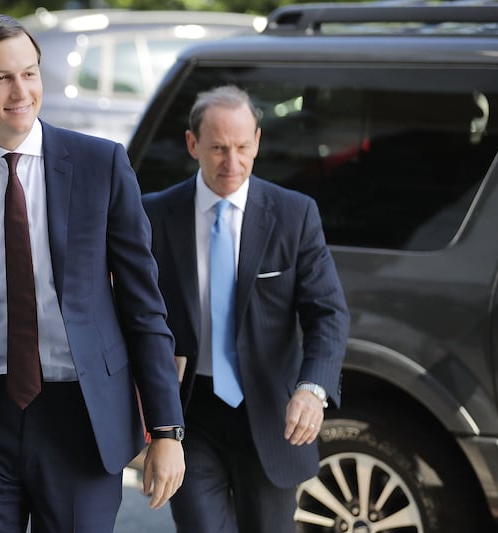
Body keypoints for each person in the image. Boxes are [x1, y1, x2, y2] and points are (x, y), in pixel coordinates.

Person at [0, 13, 185, 533]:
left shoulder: (101, 165)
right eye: (1, 78)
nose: (21, 91)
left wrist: (166, 429)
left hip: (82, 417)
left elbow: (144, 306)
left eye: (29, 73)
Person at [141, 85, 350, 533]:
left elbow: (328, 313)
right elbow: (131, 313)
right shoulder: (154, 215)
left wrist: (312, 389)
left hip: (271, 415)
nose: (231, 163)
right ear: (193, 144)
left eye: (241, 147)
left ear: (257, 140)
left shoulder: (294, 214)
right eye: (218, 148)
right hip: (188, 414)